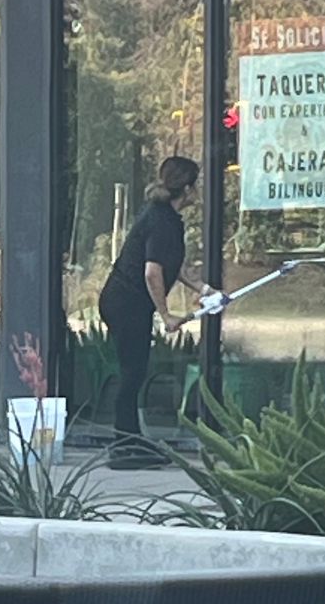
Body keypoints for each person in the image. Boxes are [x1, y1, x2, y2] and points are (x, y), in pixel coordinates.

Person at [98, 156, 221, 469]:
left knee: (135, 370)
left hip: (127, 302)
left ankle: (131, 439)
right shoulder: (162, 220)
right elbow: (153, 272)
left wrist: (204, 290)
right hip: (126, 302)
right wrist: (166, 315)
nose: (199, 191)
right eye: (197, 185)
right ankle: (124, 446)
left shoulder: (164, 216)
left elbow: (171, 265)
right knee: (133, 372)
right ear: (188, 189)